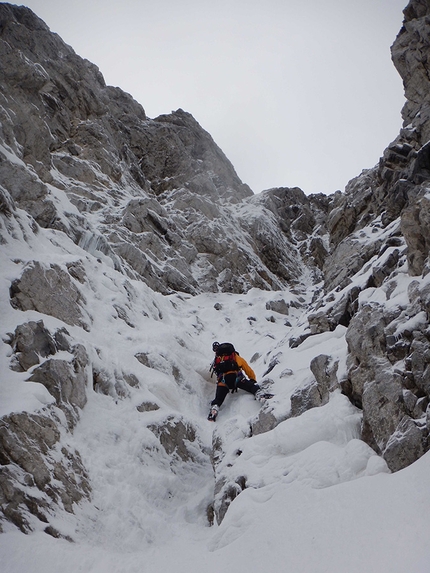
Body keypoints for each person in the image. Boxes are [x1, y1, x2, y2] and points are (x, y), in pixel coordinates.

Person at [208, 341, 264, 421]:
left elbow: (216, 371)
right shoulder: (236, 357)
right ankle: (259, 394)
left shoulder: (218, 359)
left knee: (218, 399)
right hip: (237, 379)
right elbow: (247, 369)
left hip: (223, 381)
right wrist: (253, 379)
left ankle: (214, 409)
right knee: (251, 387)